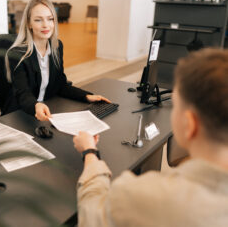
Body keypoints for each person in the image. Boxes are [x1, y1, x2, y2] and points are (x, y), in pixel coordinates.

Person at [73, 48, 228, 226]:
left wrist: (90, 153)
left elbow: (93, 216)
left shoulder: (149, 196)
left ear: (189, 124)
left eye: (176, 105)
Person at [3, 0, 109, 120]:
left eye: (50, 19)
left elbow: (60, 85)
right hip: (20, 114)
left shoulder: (56, 47)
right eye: (38, 20)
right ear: (29, 24)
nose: (46, 25)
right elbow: (23, 93)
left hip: (47, 109)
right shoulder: (17, 54)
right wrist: (36, 106)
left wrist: (86, 96)